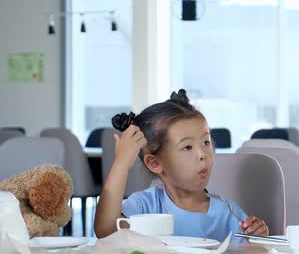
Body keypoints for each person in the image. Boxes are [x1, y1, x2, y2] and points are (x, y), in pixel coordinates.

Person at [94, 89, 269, 242]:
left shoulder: (227, 213)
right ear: (155, 163)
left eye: (206, 142)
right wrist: (121, 164)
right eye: (187, 147)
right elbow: (106, 231)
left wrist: (258, 240)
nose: (202, 154)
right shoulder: (145, 206)